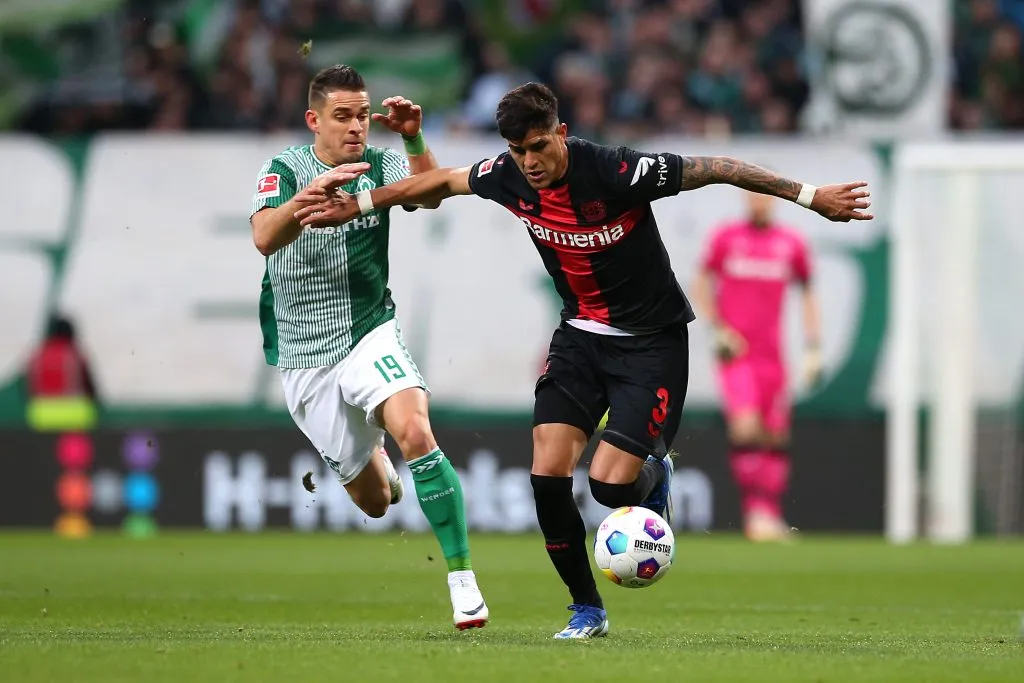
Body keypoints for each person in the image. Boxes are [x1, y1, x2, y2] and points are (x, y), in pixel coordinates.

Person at [292, 82, 872, 639]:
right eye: (519, 151)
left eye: (539, 146)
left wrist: (810, 197)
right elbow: (438, 183)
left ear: (561, 133)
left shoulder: (618, 171)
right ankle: (586, 608)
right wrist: (361, 203)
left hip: (651, 342)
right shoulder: (507, 176)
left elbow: (719, 167)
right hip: (579, 338)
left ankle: (654, 474)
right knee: (546, 475)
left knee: (608, 489)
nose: (530, 162)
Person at [248, 65, 488, 630]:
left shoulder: (378, 166)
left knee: (417, 432)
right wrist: (302, 202)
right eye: (343, 116)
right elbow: (263, 237)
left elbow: (429, 197)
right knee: (377, 502)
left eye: (362, 115)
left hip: (368, 330)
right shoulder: (282, 170)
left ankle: (462, 581)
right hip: (305, 357)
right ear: (314, 120)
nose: (357, 126)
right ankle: (372, 458)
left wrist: (413, 138)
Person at [692, 191, 822, 542]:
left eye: (765, 197)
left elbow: (808, 292)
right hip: (737, 353)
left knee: (776, 436)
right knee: (746, 427)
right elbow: (700, 283)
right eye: (753, 196)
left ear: (775, 201)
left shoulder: (790, 243)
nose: (758, 203)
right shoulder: (726, 237)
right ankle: (755, 514)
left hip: (773, 357)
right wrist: (716, 327)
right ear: (746, 199)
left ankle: (769, 514)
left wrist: (813, 346)